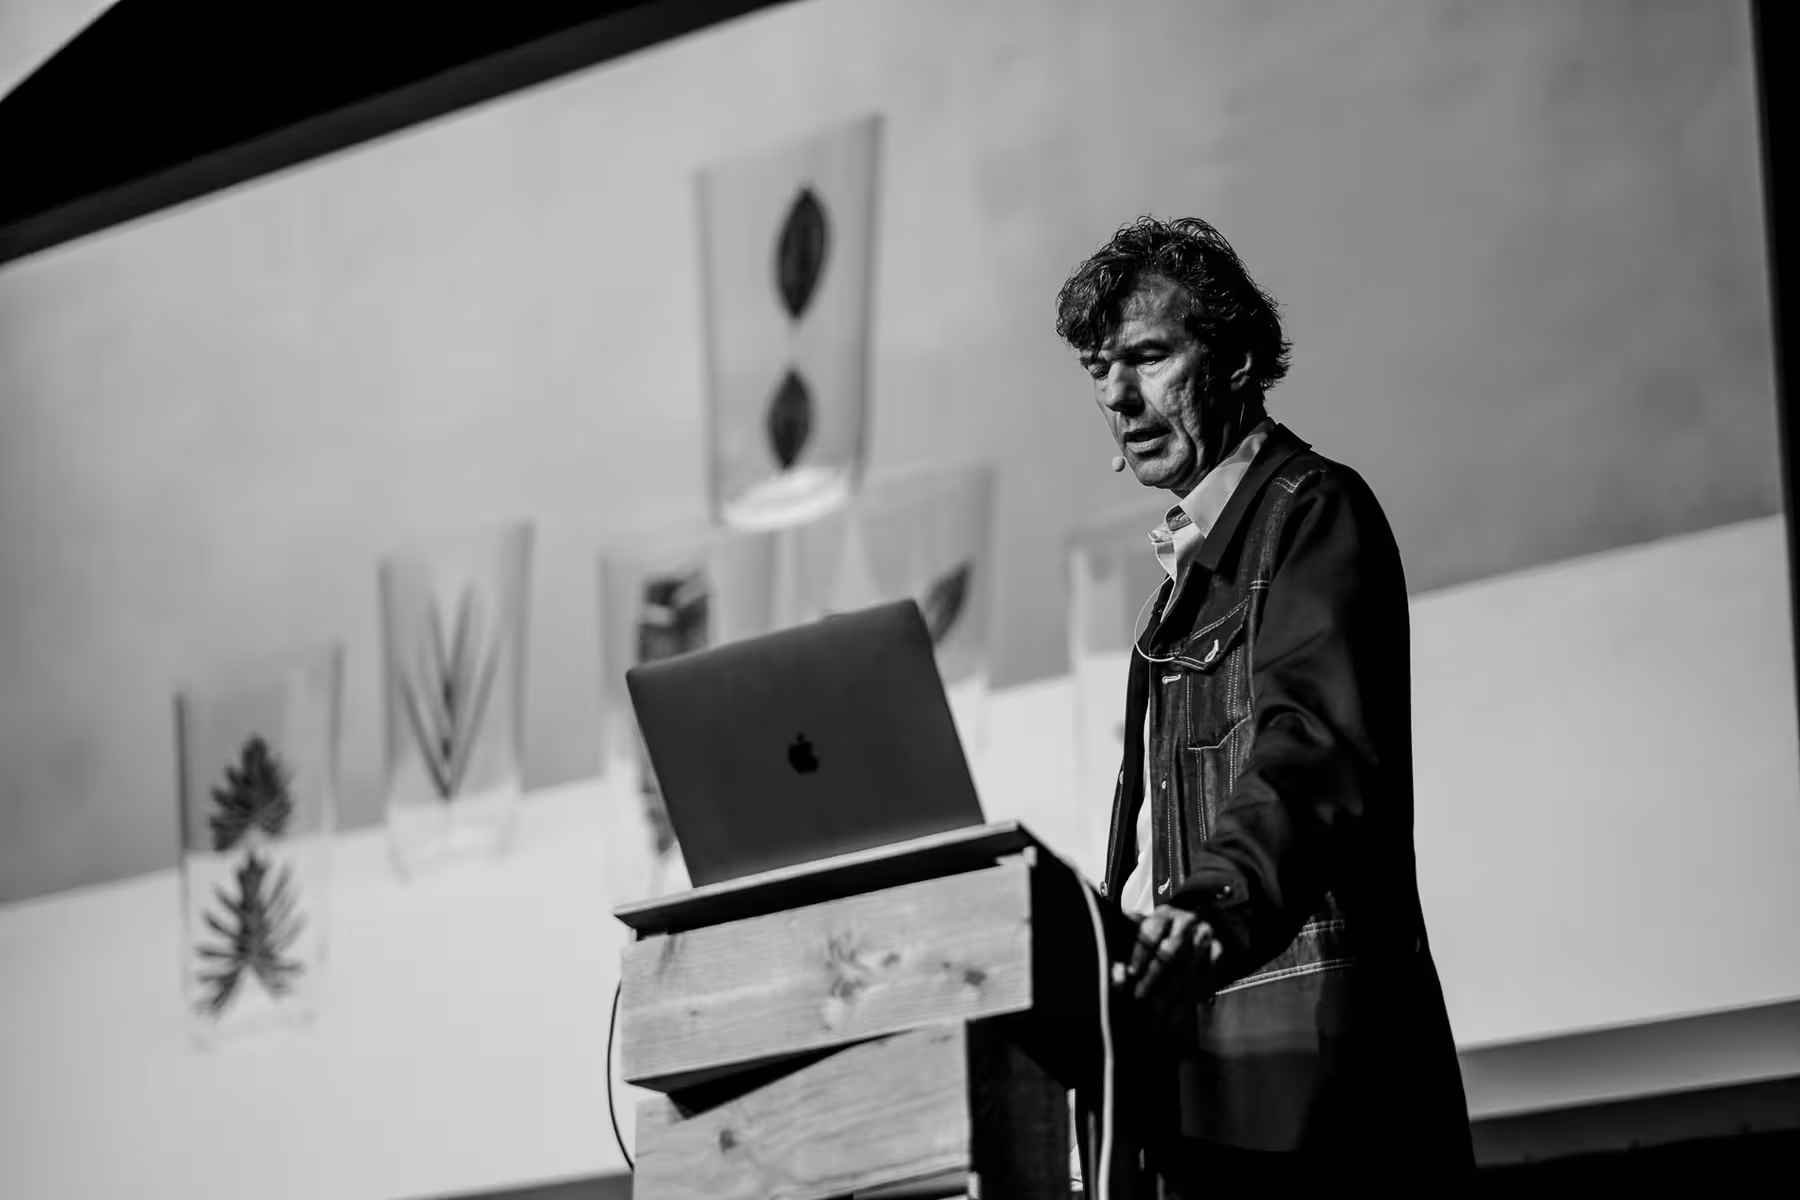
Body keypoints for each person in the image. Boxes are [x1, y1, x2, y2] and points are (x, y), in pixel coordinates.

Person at [1056, 217, 1474, 1189]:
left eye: (1149, 357)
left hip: (1307, 1087)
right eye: (1097, 369)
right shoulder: (1187, 584)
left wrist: (1210, 906)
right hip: (1199, 1083)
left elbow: (1314, 748)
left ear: (1239, 360)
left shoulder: (1310, 509)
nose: (1118, 396)